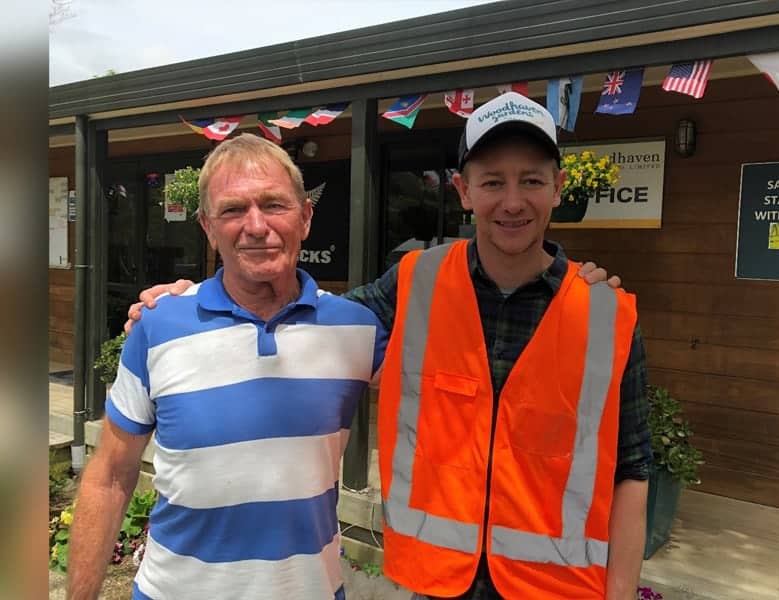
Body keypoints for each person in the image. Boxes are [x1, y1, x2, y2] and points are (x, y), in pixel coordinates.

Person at [126, 93, 647, 599]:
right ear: (464, 190)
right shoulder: (413, 284)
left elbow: (632, 470)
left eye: (531, 180)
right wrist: (191, 301)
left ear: (557, 187)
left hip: (556, 591)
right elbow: (301, 319)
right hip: (437, 583)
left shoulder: (607, 313)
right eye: (493, 181)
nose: (512, 201)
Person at [67, 134, 390, 600]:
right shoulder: (158, 325)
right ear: (206, 226)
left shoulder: (357, 330)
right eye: (233, 209)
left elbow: (450, 394)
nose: (256, 226)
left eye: (274, 204)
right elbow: (111, 475)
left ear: (306, 216)